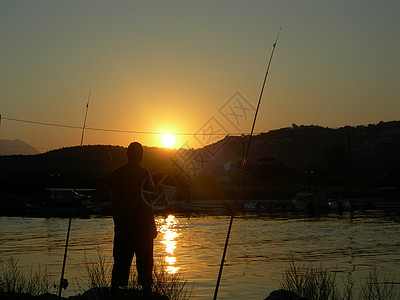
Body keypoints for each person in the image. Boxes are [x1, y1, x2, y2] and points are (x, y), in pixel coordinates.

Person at [110, 142, 157, 295]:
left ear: (127, 155)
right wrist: (152, 225)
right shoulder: (144, 173)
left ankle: (114, 293)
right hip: (142, 228)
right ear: (141, 156)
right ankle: (146, 292)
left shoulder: (116, 174)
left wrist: (117, 223)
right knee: (145, 263)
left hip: (123, 226)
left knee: (120, 262)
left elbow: (114, 203)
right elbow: (147, 203)